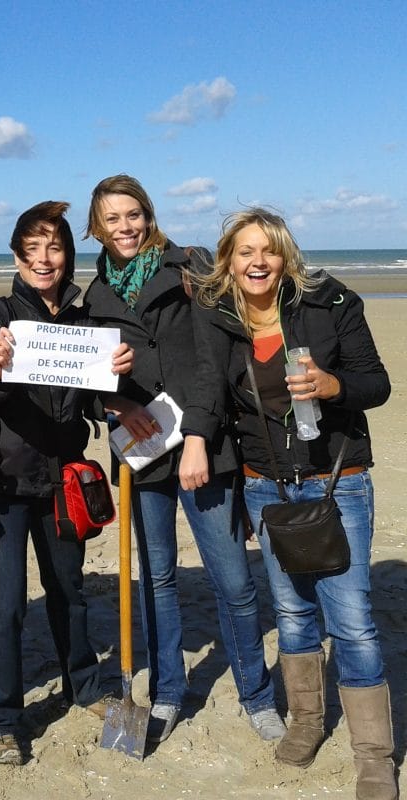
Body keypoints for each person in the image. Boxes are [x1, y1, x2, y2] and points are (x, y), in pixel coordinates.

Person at [194, 208, 395, 799]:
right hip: (267, 486)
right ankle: (307, 721)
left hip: (338, 481)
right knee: (292, 612)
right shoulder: (220, 320)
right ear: (228, 261)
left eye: (269, 250)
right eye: (245, 252)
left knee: (352, 621)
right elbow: (207, 397)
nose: (258, 262)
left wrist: (333, 386)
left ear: (286, 256)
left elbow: (377, 384)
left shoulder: (330, 304)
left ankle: (374, 755)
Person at [81, 175, 285, 744]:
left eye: (133, 214)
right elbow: (84, 383)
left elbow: (216, 360)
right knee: (158, 579)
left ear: (148, 215)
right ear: (97, 228)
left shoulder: (191, 267)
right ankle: (168, 692)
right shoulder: (93, 296)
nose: (125, 227)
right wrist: (115, 403)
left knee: (233, 580)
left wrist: (198, 434)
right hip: (142, 452)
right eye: (112, 218)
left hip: (205, 445)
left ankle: (256, 694)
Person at [0, 201, 134, 765]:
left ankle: (83, 685)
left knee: (69, 591)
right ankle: (2, 719)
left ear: (68, 256)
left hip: (65, 479)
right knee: (6, 604)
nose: (44, 259)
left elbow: (94, 401)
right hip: (1, 482)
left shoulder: (85, 324)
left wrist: (115, 378)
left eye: (55, 248)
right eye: (33, 249)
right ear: (17, 257)